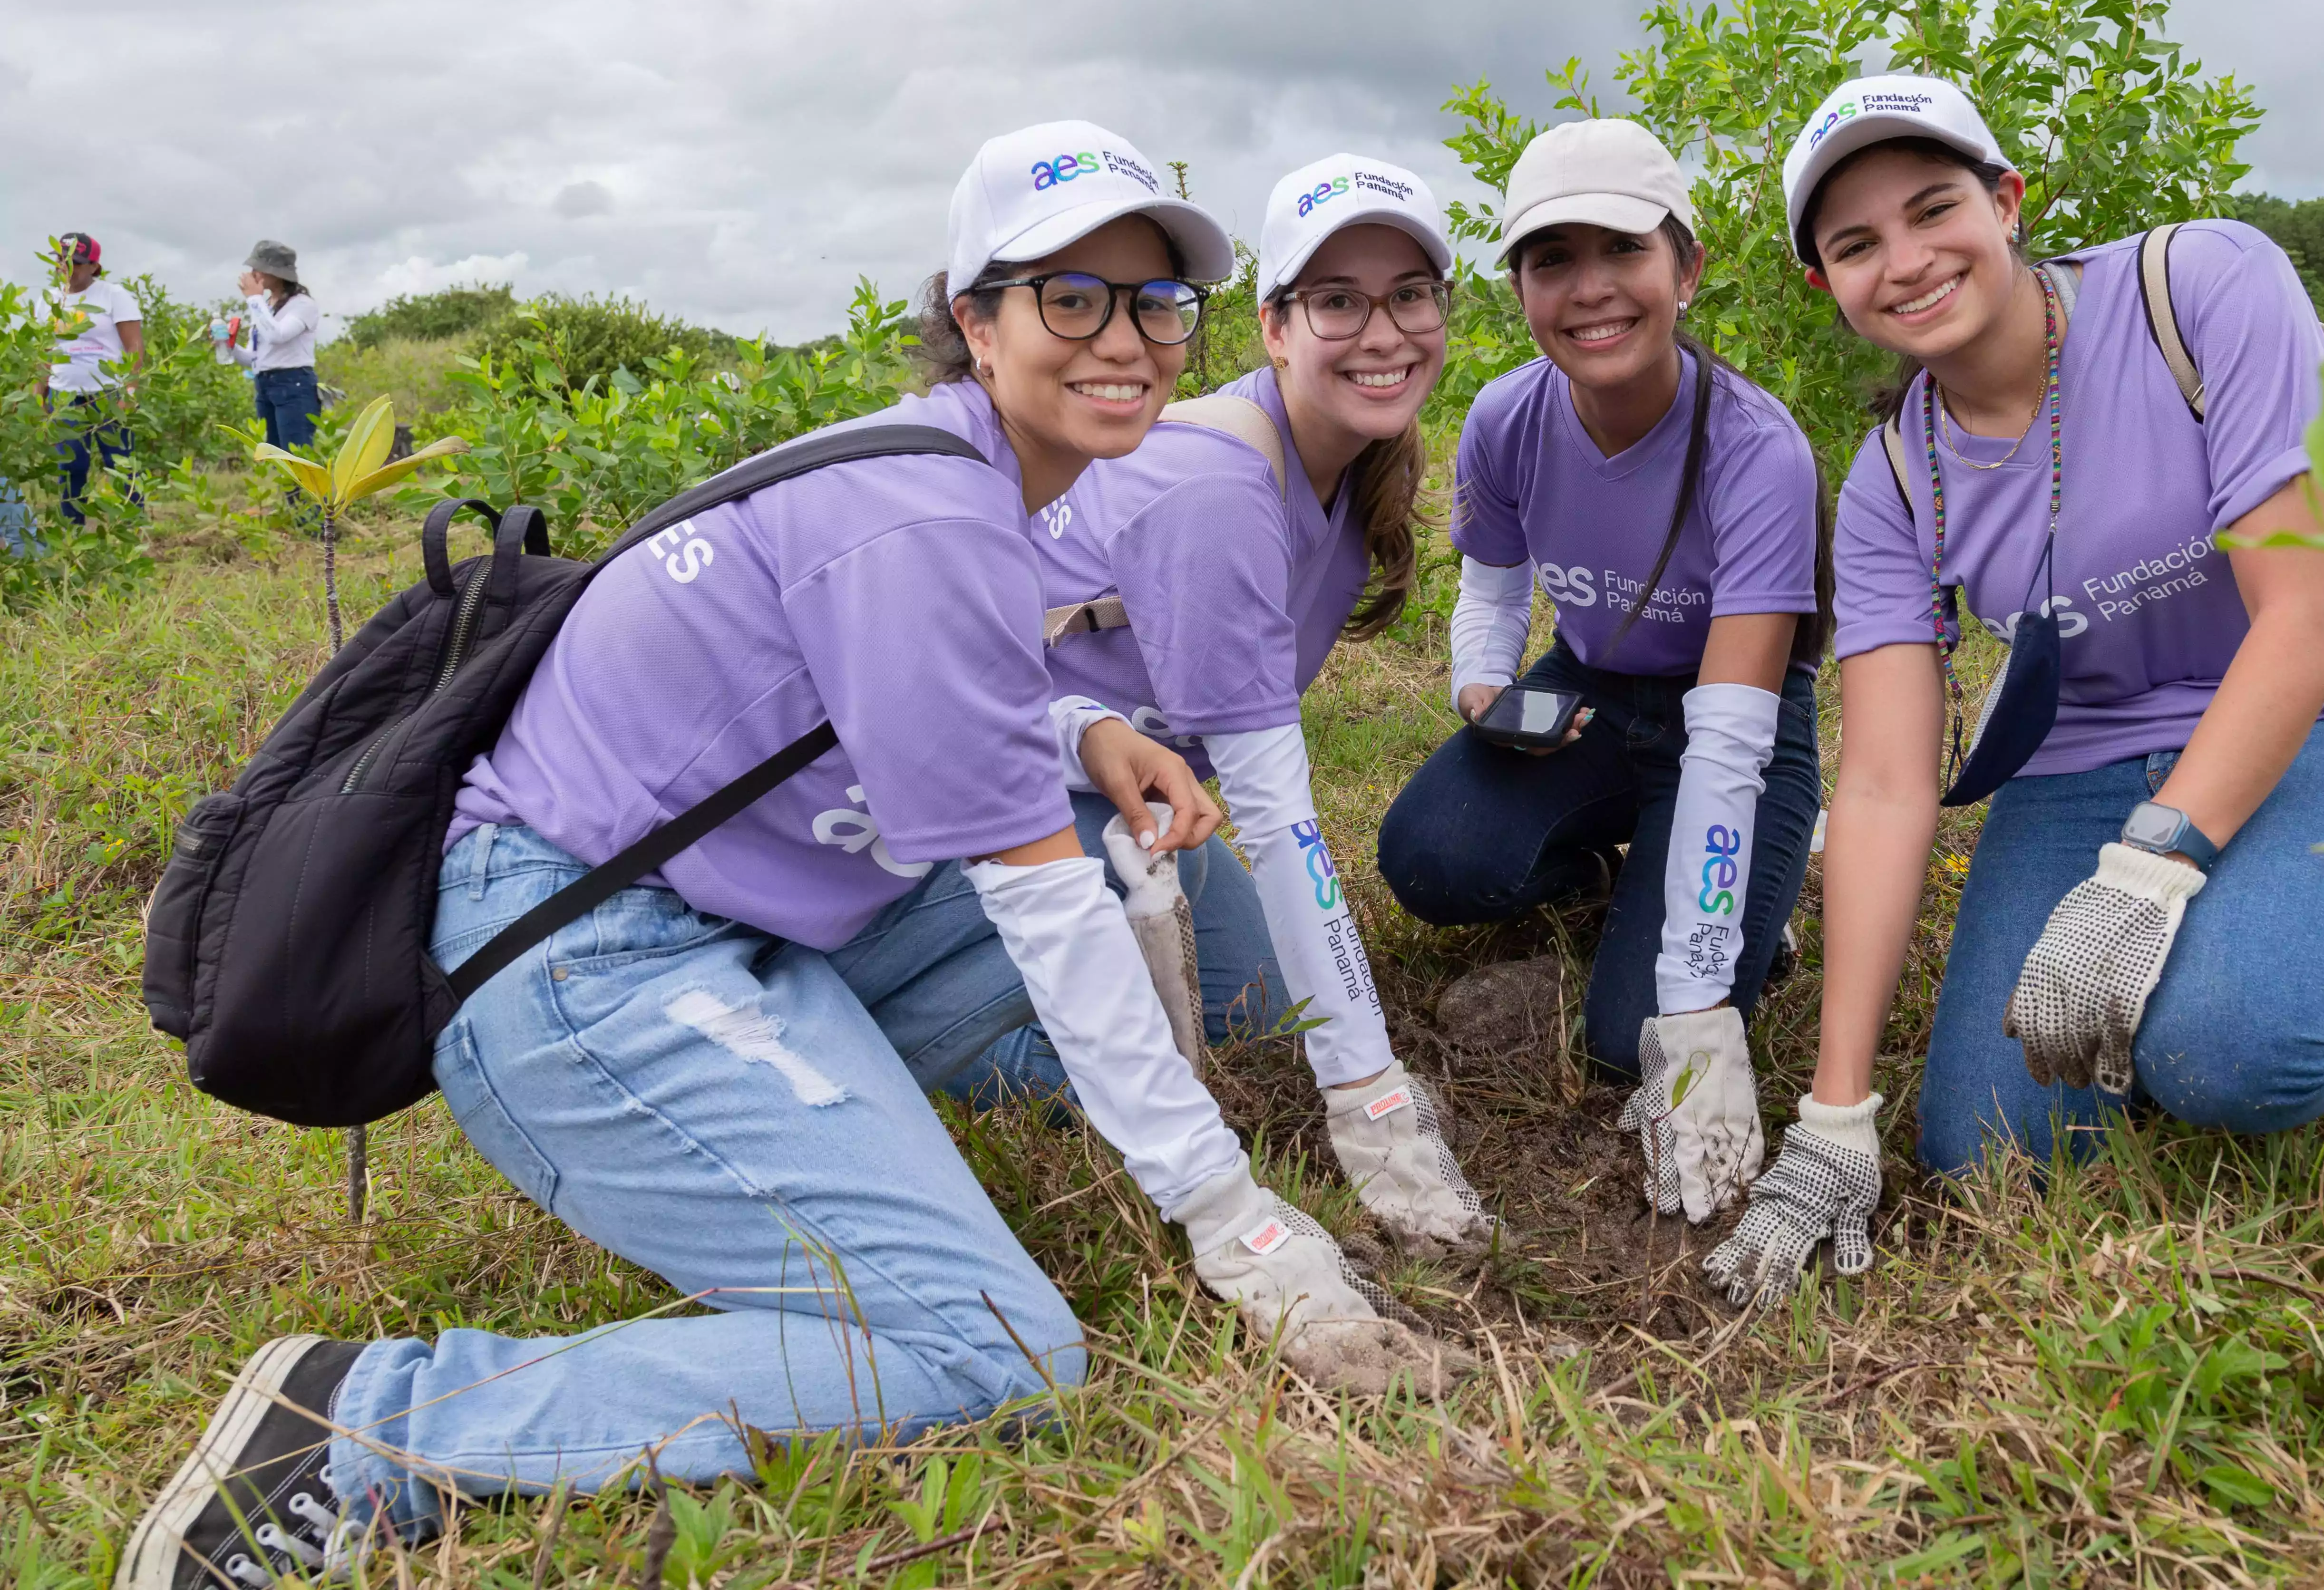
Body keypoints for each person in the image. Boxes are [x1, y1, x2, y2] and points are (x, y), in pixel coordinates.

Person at [126, 120, 1452, 1587]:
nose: (1124, 338)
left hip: (758, 927)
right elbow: (1049, 918)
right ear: (974, 317)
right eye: (1068, 299)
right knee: (994, 1346)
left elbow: (889, 686)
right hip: (582, 958)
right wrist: (1232, 1223)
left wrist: (1078, 730)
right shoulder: (931, 511)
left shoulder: (972, 473)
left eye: (1152, 302)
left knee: (1173, 920)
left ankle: (844, 1155)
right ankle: (368, 1423)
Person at [1701, 76, 2324, 1309]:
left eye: (1934, 206)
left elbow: (2310, 620)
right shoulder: (1894, 481)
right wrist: (1835, 1112)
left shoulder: (2201, 287)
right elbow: (1888, 784)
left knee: (2234, 1050)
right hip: (2085, 762)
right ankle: (2199, 980)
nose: (1906, 260)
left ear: (2007, 201)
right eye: (1855, 244)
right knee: (1986, 1157)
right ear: (1825, 287)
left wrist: (2148, 873)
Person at [975, 151, 1497, 1252]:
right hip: (998, 783)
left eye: (1411, 296)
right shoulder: (1217, 488)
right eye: (1339, 301)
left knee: (1253, 1004)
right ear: (1274, 326)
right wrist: (1371, 1098)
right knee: (1140, 1058)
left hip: (1125, 790)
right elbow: (1277, 812)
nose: (1384, 332)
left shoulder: (1351, 469)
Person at [1375, 119, 1827, 1228]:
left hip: (1735, 723)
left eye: (1623, 250)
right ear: (1519, 284)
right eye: (1551, 260)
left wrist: (1693, 1002)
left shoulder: (1759, 452)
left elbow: (1725, 738)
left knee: (1637, 1032)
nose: (1591, 291)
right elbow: (1491, 586)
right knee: (1430, 861)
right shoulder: (1505, 417)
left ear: (1687, 267)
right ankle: (1628, 886)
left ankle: (1747, 898)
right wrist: (1484, 685)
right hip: (1587, 686)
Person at [41, 232, 145, 522]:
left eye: (75, 261)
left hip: (109, 393)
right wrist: (38, 396)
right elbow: (43, 352)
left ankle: (132, 530)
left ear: (94, 267)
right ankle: (72, 536)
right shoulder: (49, 300)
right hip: (64, 396)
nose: (67, 266)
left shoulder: (114, 296)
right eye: (62, 260)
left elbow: (134, 347)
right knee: (71, 466)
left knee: (121, 464)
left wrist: (130, 392)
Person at [216, 240, 323, 452]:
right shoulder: (265, 307)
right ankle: (285, 487)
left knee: (296, 455)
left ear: (278, 273)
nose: (254, 273)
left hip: (294, 385)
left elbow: (278, 335)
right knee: (275, 455)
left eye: (260, 268)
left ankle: (299, 487)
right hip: (265, 385)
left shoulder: (303, 305)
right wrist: (228, 345)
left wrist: (254, 299)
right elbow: (253, 358)